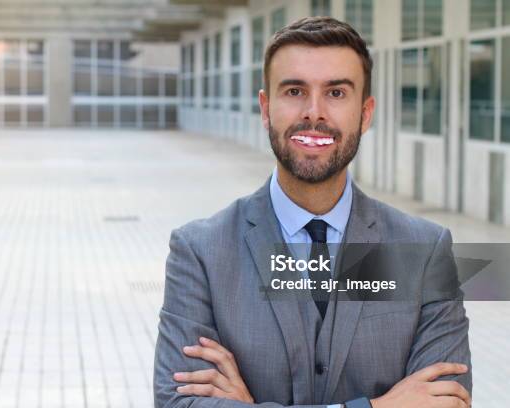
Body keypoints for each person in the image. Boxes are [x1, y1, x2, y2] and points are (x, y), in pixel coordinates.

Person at [154, 17, 471, 408]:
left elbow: (446, 402)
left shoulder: (425, 252)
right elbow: (179, 404)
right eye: (294, 90)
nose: (314, 112)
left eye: (336, 93)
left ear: (365, 113)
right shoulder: (200, 252)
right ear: (266, 108)